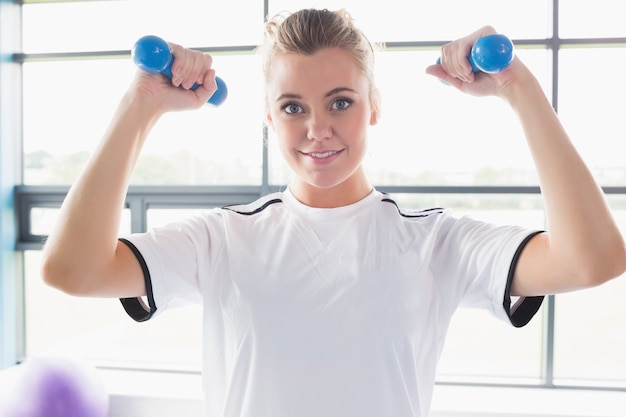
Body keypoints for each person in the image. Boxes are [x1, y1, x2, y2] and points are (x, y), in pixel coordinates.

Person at [41, 8, 626, 417]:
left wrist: (519, 87)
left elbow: (592, 259)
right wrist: (138, 106)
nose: (317, 129)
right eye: (293, 106)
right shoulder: (221, 238)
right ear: (269, 119)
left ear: (373, 108)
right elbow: (71, 269)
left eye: (340, 102)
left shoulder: (434, 243)